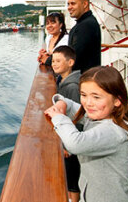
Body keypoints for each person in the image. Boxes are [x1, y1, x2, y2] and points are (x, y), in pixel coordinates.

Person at [45, 66, 128, 202]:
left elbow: (75, 143)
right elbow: (76, 108)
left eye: (96, 97)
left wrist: (58, 117)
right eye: (83, 95)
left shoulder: (113, 131)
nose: (88, 103)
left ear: (117, 100)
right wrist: (62, 102)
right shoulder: (98, 116)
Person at [52, 45, 81, 202]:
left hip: (71, 140)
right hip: (68, 136)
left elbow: (77, 117)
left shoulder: (72, 87)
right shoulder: (62, 80)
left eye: (58, 61)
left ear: (70, 62)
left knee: (72, 177)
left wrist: (66, 145)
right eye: (53, 61)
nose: (54, 64)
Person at [67, 0, 101, 73]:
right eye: (68, 4)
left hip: (83, 78)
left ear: (85, 4)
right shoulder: (87, 22)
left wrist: (49, 60)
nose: (69, 7)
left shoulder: (86, 25)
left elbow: (75, 55)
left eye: (73, 4)